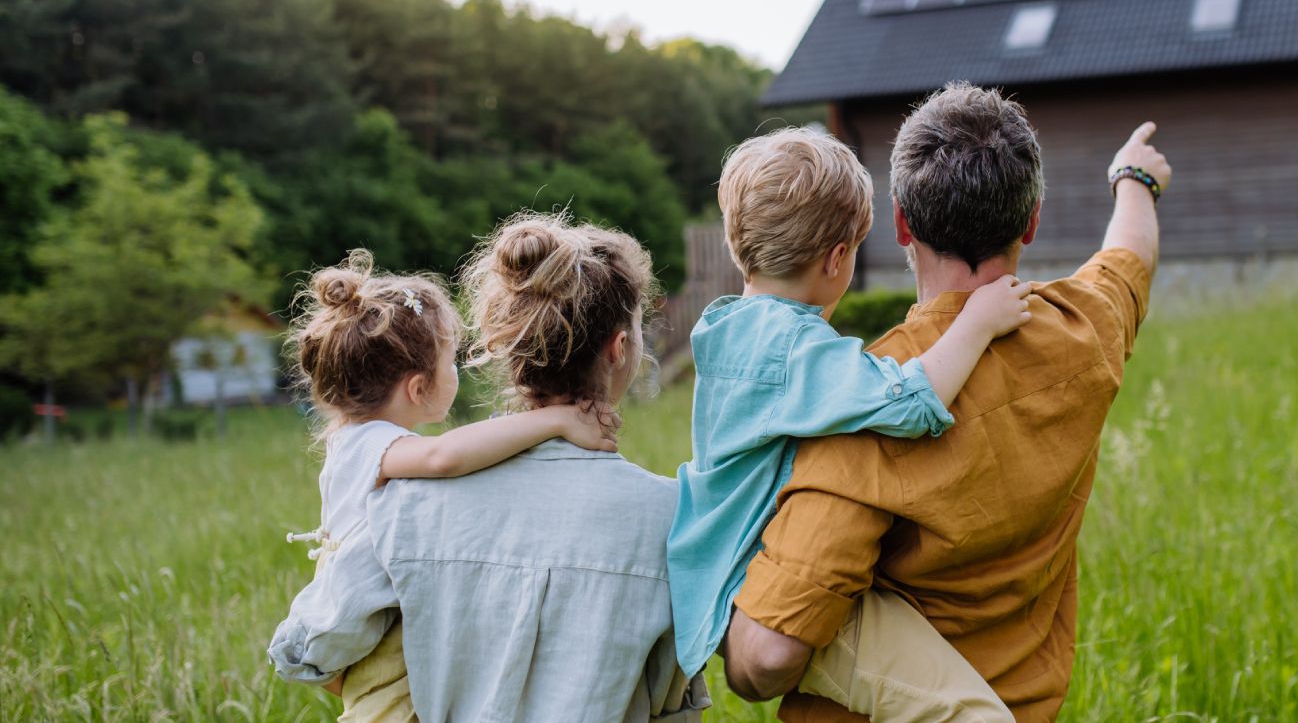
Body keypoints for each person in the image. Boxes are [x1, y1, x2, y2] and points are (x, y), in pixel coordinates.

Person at [723, 83, 1172, 722]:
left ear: (902, 222)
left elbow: (766, 657)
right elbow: (1129, 258)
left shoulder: (862, 400)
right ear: (1032, 218)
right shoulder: (1084, 330)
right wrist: (1134, 178)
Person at [269, 214, 709, 721]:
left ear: (506, 347)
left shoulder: (402, 506)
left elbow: (312, 649)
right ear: (620, 348)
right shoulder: (676, 518)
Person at [670, 127, 1031, 721]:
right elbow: (910, 403)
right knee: (972, 713)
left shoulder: (722, 328)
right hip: (765, 595)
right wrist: (979, 322)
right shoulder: (795, 351)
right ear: (839, 259)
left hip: (726, 588)